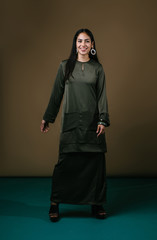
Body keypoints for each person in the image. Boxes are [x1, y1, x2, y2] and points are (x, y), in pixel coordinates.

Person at [40, 28, 110, 222]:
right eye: (79, 41)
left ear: (92, 45)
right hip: (70, 122)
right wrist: (48, 117)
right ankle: (55, 203)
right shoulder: (65, 67)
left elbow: (102, 96)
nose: (83, 45)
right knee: (65, 164)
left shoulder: (98, 69)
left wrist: (103, 119)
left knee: (95, 164)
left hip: (92, 123)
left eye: (87, 41)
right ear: (75, 44)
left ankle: (96, 204)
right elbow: (56, 94)